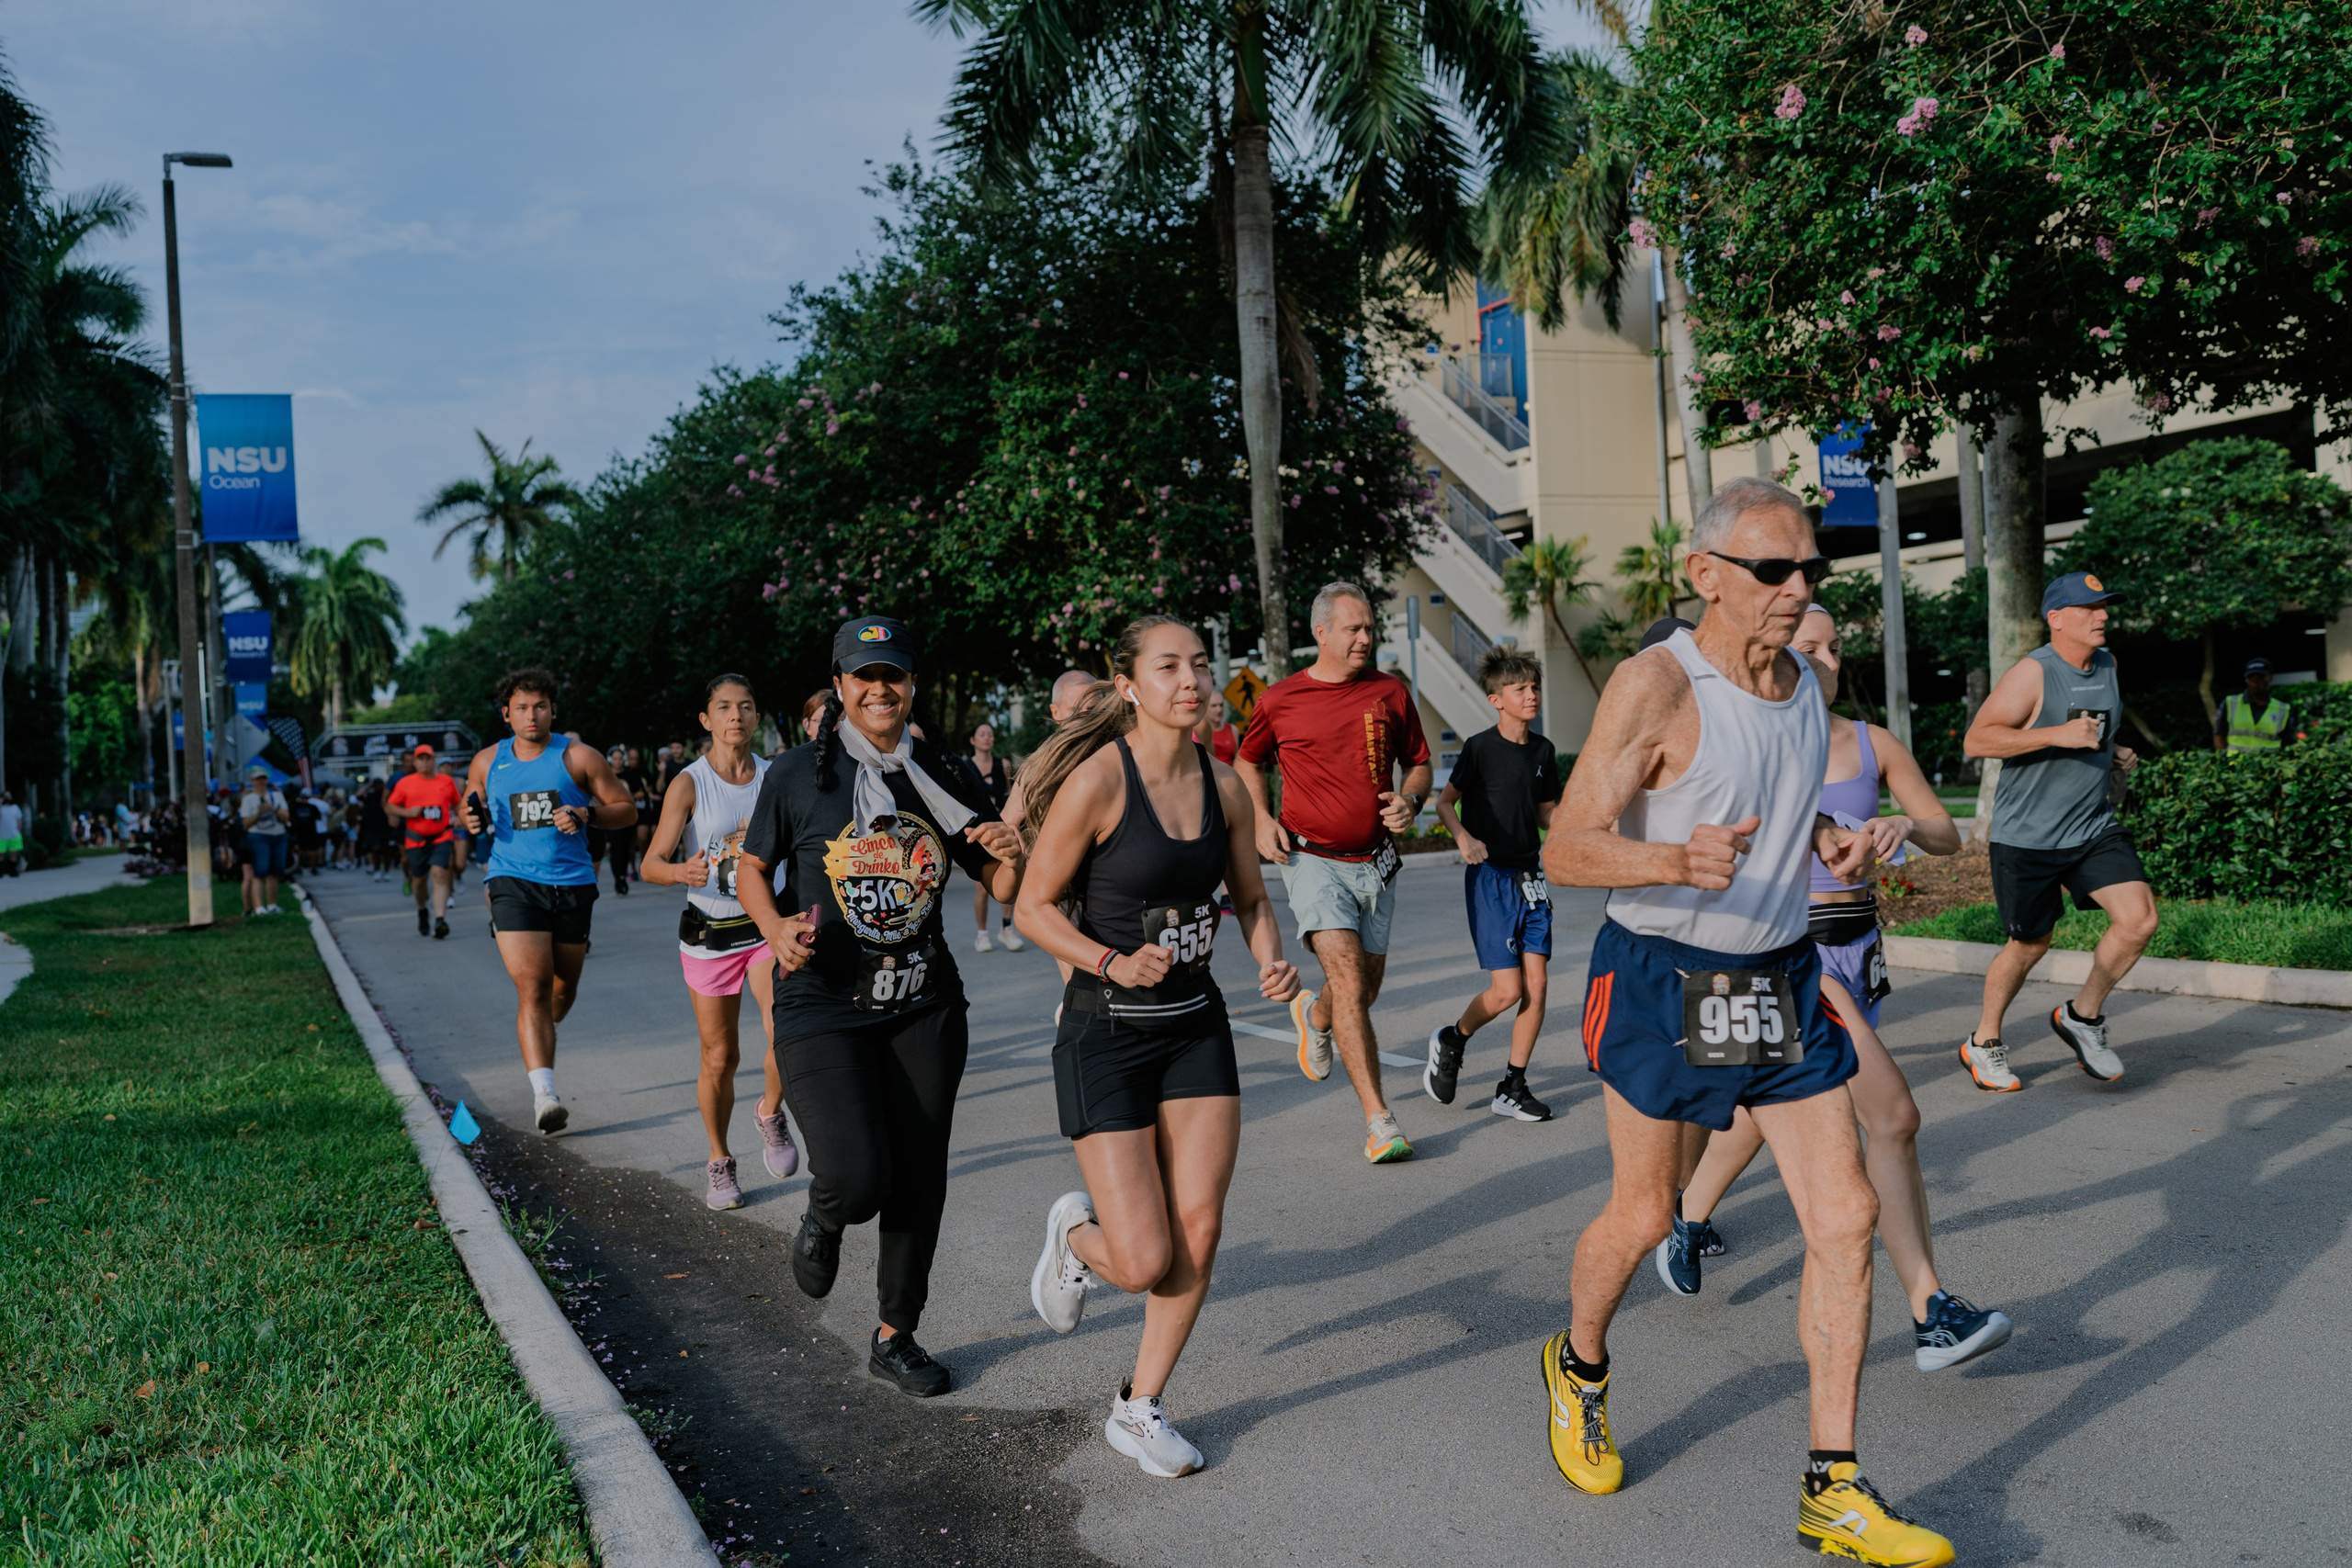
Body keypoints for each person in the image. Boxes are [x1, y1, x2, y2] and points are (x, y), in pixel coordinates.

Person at [1542, 476, 1954, 1565]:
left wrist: (1826, 836)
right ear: (1706, 576)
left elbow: (1774, 788)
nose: (1797, 588)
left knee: (1846, 1214)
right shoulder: (1654, 685)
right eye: (1773, 571)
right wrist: (1673, 857)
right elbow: (1566, 846)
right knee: (1642, 1215)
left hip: (1776, 978)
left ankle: (1834, 1485)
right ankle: (1579, 1365)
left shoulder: (1799, 686)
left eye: (1809, 569)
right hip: (1658, 977)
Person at [1663, 604, 2014, 1373]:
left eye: (1832, 647)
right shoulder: (1750, 739)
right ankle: (1931, 1310)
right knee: (1892, 1115)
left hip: (1859, 949)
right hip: (1789, 955)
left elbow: (1948, 832)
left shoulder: (1870, 742)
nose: (1825, 659)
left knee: (1766, 1114)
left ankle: (1685, 1218)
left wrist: (1897, 826)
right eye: (1806, 645)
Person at [1014, 615, 1299, 1478]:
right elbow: (1032, 906)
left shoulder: (1226, 787)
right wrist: (1106, 957)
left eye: (1200, 665)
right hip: (1104, 1030)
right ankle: (1076, 1237)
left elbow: (1249, 898)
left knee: (1201, 1231)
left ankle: (1138, 1406)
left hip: (1194, 1027)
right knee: (1144, 1259)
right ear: (1130, 685)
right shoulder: (1099, 782)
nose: (1192, 680)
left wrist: (1272, 960)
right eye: (1169, 666)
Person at [736, 615, 1023, 1399]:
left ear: (910, 683)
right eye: (864, 675)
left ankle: (896, 1335)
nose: (879, 688)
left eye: (892, 673)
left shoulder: (938, 771)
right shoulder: (798, 773)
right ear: (840, 687)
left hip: (923, 1005)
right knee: (858, 1176)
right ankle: (827, 1216)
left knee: (919, 1178)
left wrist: (1013, 854)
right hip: (822, 1004)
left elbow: (997, 884)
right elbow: (753, 869)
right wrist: (772, 927)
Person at [1233, 581, 1432, 1165]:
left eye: (1370, 627)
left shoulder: (1391, 693)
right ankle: (1379, 1119)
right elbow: (1248, 761)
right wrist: (1261, 818)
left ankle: (1313, 1015)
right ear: (1321, 633)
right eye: (1354, 629)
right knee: (1348, 982)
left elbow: (1418, 763)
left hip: (1376, 862)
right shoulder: (1280, 700)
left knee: (1360, 992)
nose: (1366, 638)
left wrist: (1411, 802)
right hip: (1311, 859)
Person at [1960, 570, 2154, 1089]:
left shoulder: (2107, 663)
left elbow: (2092, 725)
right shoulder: (2033, 673)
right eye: (2091, 609)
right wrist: (2058, 735)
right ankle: (1984, 1043)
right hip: (2028, 836)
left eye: (2105, 607)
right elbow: (1978, 741)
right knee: (2029, 945)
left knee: (2138, 921)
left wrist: (2113, 748)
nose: (2103, 616)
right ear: (2056, 619)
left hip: (2091, 827)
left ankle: (2082, 1016)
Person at [459, 669, 639, 1134]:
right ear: (506, 714)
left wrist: (586, 812)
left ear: (553, 711)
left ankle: (536, 1029)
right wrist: (470, 820)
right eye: (521, 707)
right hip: (511, 880)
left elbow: (627, 809)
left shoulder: (578, 756)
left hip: (572, 884)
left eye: (540, 706)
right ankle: (545, 1094)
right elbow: (470, 806)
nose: (531, 715)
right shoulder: (486, 760)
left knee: (562, 991)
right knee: (533, 987)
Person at [642, 675, 797, 1211]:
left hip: (765, 927)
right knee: (720, 1057)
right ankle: (718, 1160)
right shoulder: (689, 783)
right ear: (707, 720)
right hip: (710, 934)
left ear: (757, 719)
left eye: (746, 707)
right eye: (724, 708)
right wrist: (680, 872)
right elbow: (650, 863)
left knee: (787, 1029)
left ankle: (770, 1113)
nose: (736, 716)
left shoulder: (777, 777)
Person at [1426, 645, 1563, 1122]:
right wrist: (1464, 838)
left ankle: (1513, 1086)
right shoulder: (1480, 749)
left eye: (1534, 687)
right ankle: (1453, 1038)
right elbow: (1446, 803)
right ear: (1496, 699)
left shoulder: (1544, 752)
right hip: (1491, 879)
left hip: (1532, 880)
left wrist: (1575, 827)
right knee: (1506, 991)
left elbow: (1546, 812)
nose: (1531, 695)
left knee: (1538, 986)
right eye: (1520, 689)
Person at [386, 745, 462, 939]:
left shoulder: (446, 781)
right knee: (419, 880)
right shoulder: (405, 783)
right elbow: (390, 806)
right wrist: (406, 813)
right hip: (415, 838)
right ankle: (422, 909)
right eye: (421, 759)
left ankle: (439, 919)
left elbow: (457, 803)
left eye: (428, 758)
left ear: (434, 760)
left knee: (439, 874)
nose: (425, 762)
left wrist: (460, 817)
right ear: (415, 761)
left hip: (442, 836)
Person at [966, 720, 1024, 953]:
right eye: (982, 734)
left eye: (990, 734)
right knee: (982, 887)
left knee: (1010, 875)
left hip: (1002, 828)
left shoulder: (1004, 765)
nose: (987, 737)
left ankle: (1006, 929)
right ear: (973, 740)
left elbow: (1010, 795)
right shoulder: (964, 767)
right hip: (978, 832)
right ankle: (982, 934)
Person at [238, 767, 291, 914]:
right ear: (253, 782)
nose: (261, 782)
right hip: (258, 836)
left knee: (275, 871)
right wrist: (259, 813)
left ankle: (272, 905)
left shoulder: (277, 796)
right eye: (258, 779)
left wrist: (272, 808)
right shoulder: (248, 799)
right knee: (260, 871)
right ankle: (259, 907)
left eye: (263, 779)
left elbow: (286, 817)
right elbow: (246, 824)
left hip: (278, 834)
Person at [2214, 656, 2290, 751]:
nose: (2256, 680)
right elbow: (2219, 735)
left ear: (2270, 678)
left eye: (2261, 676)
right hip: (2235, 764)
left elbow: (2288, 742)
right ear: (2246, 680)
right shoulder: (2230, 703)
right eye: (2252, 677)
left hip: (2269, 764)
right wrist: (2222, 760)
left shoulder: (2283, 709)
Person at [0, 791, 22, 876]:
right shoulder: (1, 808)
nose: (7, 798)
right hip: (1, 836)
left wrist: (18, 831)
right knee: (1, 855)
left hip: (14, 835)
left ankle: (13, 872)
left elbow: (19, 820)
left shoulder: (15, 808)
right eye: (5, 796)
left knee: (13, 854)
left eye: (9, 796)